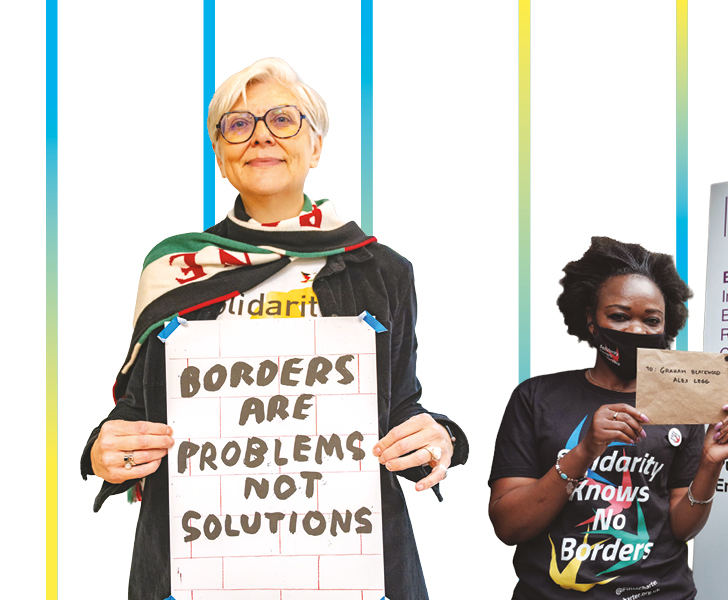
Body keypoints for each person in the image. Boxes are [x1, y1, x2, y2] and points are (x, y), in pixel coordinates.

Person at [81, 57, 467, 600]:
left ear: (316, 145)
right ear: (219, 153)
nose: (260, 136)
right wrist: (104, 450)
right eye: (237, 125)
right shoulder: (173, 268)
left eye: (283, 119)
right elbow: (136, 417)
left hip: (346, 561)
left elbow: (399, 405)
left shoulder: (382, 271)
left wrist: (437, 437)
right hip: (200, 560)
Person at [489, 236, 728, 598]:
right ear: (591, 320)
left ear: (665, 328)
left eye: (651, 320)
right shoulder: (537, 398)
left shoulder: (682, 401)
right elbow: (508, 526)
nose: (637, 330)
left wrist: (708, 465)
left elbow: (680, 528)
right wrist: (584, 451)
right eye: (620, 316)